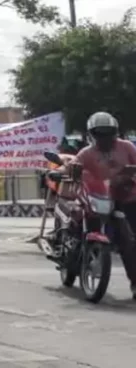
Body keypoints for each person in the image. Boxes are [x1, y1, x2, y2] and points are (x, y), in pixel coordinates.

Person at [71, 111, 136, 299]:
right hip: (98, 198)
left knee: (129, 242)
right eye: (100, 134)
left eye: (109, 134)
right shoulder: (87, 153)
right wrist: (69, 169)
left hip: (127, 199)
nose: (105, 138)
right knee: (79, 221)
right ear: (93, 135)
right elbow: (73, 165)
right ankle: (76, 255)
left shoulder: (127, 148)